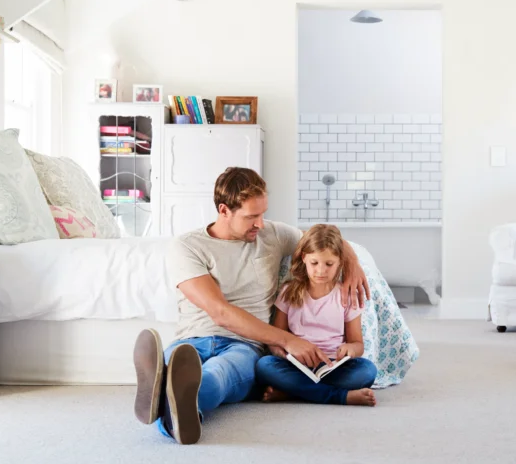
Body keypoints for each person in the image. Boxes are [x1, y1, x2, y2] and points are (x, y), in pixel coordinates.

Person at [132, 167, 370, 444]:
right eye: (251, 216)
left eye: (263, 214)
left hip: (243, 344)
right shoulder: (187, 247)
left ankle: (167, 398)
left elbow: (324, 240)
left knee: (219, 373)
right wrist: (289, 340)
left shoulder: (273, 234)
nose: (260, 223)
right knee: (179, 364)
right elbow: (220, 312)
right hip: (192, 339)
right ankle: (172, 400)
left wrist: (351, 264)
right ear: (224, 210)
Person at [256, 224, 378, 406]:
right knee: (264, 365)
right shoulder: (288, 292)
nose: (321, 271)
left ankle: (294, 392)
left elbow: (357, 344)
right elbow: (277, 338)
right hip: (297, 365)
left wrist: (350, 350)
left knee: (367, 371)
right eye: (314, 263)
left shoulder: (345, 295)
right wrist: (284, 352)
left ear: (340, 263)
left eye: (329, 264)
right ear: (304, 258)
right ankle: (341, 396)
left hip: (332, 366)